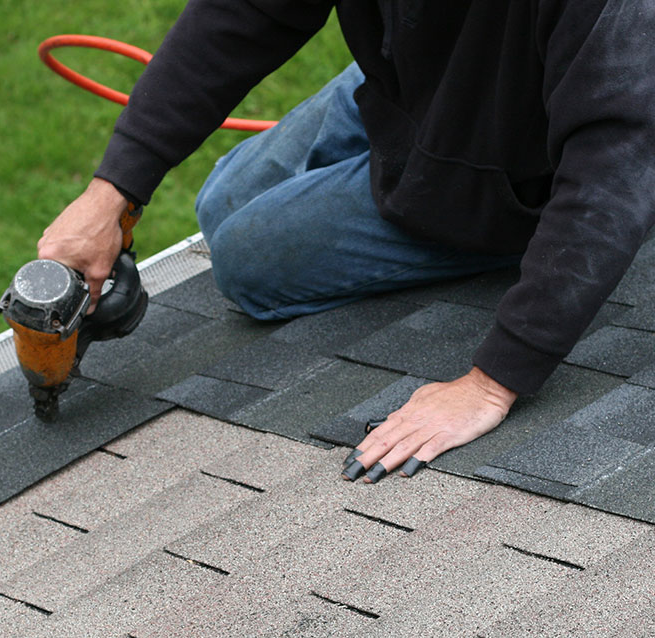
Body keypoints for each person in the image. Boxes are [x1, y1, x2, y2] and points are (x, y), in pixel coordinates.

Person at [37, 0, 655, 484]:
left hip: (526, 156)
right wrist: (113, 191)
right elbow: (244, 15)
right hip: (418, 77)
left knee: (246, 262)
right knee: (220, 202)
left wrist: (492, 383)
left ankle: (503, 217)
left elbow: (613, 168)